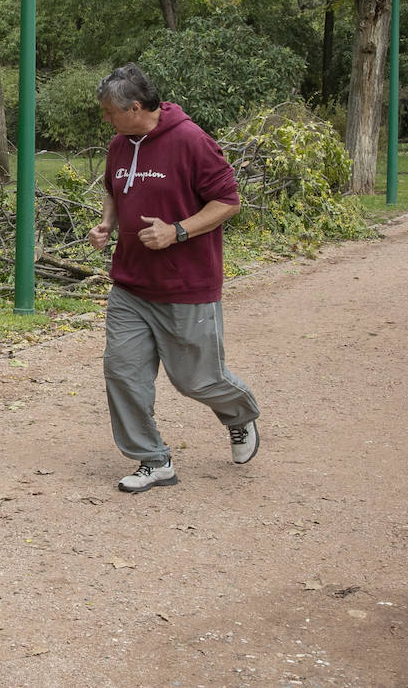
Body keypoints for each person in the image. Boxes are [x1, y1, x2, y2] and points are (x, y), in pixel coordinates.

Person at [86, 63, 260, 493]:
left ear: (137, 107)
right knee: (123, 372)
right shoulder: (120, 144)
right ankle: (152, 459)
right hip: (130, 285)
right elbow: (113, 187)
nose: (106, 119)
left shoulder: (191, 141)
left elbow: (228, 201)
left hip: (186, 287)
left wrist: (177, 230)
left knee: (196, 380)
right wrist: (107, 224)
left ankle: (240, 416)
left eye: (111, 112)